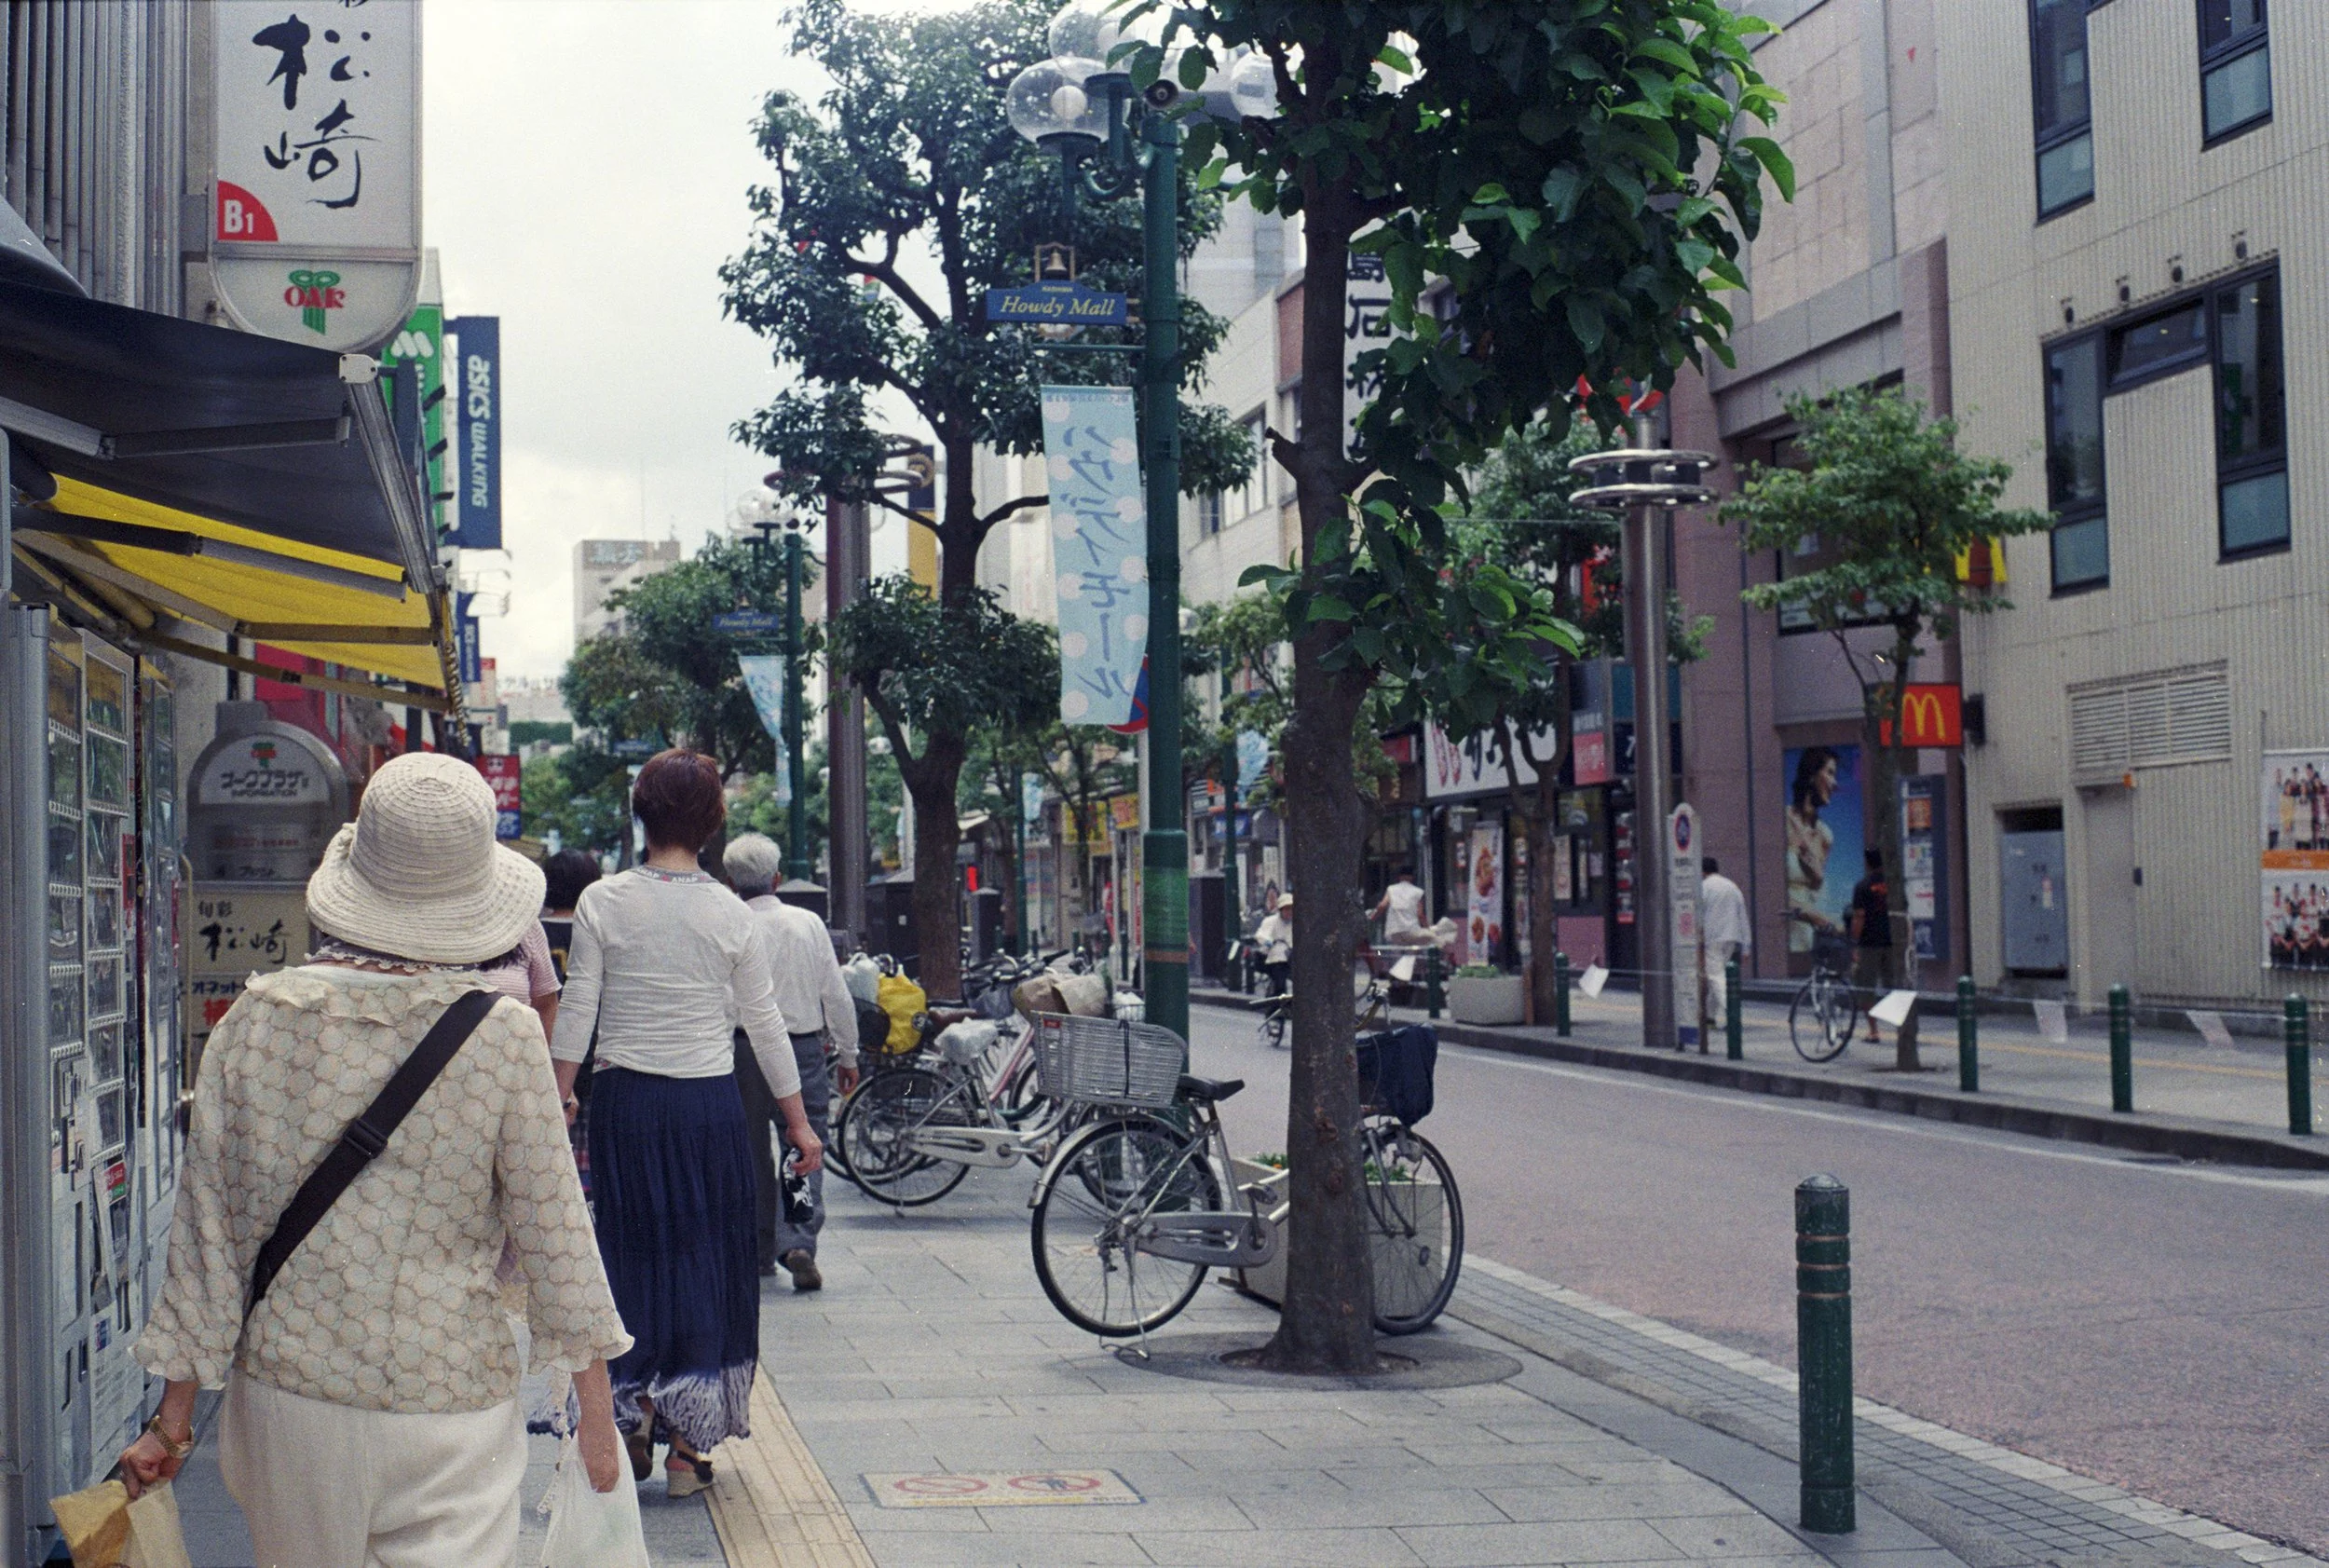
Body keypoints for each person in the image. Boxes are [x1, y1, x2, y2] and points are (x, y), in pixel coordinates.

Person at [121, 753, 632, 1566]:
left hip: (292, 1400)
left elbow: (208, 1242)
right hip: (449, 1399)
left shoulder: (251, 1022)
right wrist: (599, 1424)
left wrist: (171, 1422)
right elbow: (556, 1233)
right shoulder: (502, 1037)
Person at [549, 750, 823, 1498]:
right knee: (705, 1257)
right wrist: (798, 1123)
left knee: (632, 1252)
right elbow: (764, 1025)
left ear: (642, 813)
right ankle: (686, 1450)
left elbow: (581, 1004)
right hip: (708, 1106)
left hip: (626, 1105)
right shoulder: (731, 911)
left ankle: (628, 1412)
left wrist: (557, 1092)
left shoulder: (605, 900)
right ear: (711, 822)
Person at [722, 833, 860, 1291]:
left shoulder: (726, 922)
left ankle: (759, 1248)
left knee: (751, 1151)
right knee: (803, 1147)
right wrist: (848, 1051)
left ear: (730, 880)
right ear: (777, 878)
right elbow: (835, 993)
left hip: (742, 1050)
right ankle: (798, 1239)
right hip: (800, 1048)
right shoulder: (806, 924)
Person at [1786, 748, 1840, 951]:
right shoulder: (1783, 821)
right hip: (1786, 935)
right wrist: (1811, 915)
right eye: (1830, 773)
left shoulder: (1825, 836)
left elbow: (1815, 892)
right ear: (1811, 774)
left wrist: (1816, 875)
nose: (1835, 784)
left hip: (1808, 938)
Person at [1699, 856, 1750, 1032]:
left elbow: (1697, 914)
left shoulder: (1704, 887)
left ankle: (1733, 1014)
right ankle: (1709, 1018)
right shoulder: (1732, 886)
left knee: (1715, 977)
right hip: (1732, 937)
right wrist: (1746, 945)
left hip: (1712, 937)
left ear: (1702, 871)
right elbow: (1742, 915)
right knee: (1718, 977)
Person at [1847, 849, 1893, 1043]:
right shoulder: (1893, 884)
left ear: (1867, 863)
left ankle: (1874, 1030)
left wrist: (1854, 942)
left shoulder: (1862, 886)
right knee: (1894, 985)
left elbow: (1859, 917)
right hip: (1891, 942)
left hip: (1869, 943)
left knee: (1866, 986)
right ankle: (1902, 1030)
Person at [1372, 866, 1427, 945]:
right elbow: (1420, 915)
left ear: (1399, 877)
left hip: (1394, 930)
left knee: (1395, 955)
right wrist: (1427, 929)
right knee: (1412, 955)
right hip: (1412, 930)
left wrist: (1373, 917)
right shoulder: (1418, 892)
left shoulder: (1391, 889)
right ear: (1412, 877)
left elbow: (1382, 906)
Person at [1254, 893, 1294, 997]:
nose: (1289, 912)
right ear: (1281, 910)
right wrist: (1268, 941)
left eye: (1291, 909)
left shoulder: (1295, 923)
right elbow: (1260, 935)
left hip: (1291, 956)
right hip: (1275, 957)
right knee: (1279, 981)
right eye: (1286, 909)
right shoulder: (1271, 921)